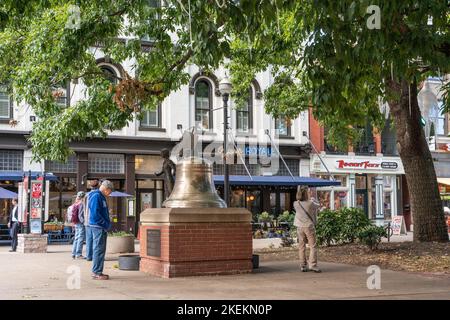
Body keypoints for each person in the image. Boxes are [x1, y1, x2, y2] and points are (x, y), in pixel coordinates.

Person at [88, 180, 113, 280]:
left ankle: (97, 271)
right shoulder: (96, 196)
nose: (110, 194)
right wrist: (105, 224)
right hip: (98, 227)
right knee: (99, 250)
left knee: (99, 250)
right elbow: (95, 214)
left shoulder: (98, 196)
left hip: (98, 226)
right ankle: (97, 272)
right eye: (110, 191)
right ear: (106, 189)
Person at [294, 186, 321, 273]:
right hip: (308, 226)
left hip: (299, 227)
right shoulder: (310, 203)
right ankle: (312, 265)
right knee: (312, 246)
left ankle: (303, 265)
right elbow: (318, 206)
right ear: (306, 194)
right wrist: (314, 199)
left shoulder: (296, 203)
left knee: (301, 247)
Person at [84, 179, 100, 261]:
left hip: (86, 221)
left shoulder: (87, 195)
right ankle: (94, 256)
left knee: (89, 239)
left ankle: (88, 256)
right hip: (93, 221)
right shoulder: (96, 195)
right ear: (98, 185)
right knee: (96, 240)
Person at [71, 191, 86, 259]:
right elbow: (80, 215)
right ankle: (78, 254)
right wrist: (84, 222)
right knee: (80, 238)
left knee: (76, 238)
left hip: (76, 222)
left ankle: (73, 253)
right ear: (83, 197)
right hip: (80, 223)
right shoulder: (81, 204)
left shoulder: (75, 203)